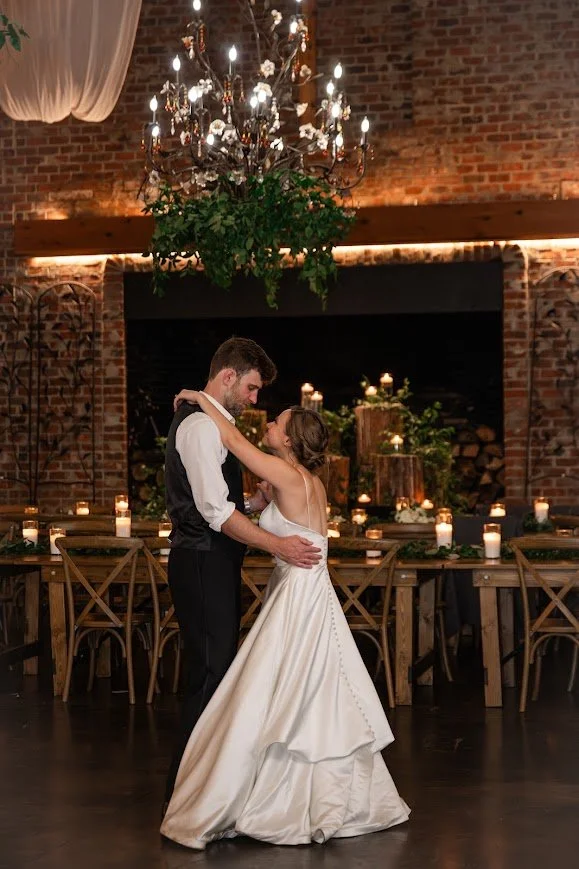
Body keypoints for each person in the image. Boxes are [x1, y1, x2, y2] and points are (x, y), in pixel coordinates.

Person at [161, 389, 410, 849]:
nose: (268, 425)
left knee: (276, 689)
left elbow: (233, 442)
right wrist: (258, 504)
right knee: (304, 690)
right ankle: (314, 789)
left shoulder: (284, 472)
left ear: (290, 441)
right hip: (307, 592)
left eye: (276, 423)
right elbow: (273, 512)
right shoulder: (303, 480)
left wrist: (200, 398)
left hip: (298, 596)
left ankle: (270, 795)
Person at [163, 338, 321, 810]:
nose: (256, 401)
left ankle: (207, 783)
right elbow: (213, 512)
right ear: (228, 377)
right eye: (252, 389)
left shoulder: (217, 425)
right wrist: (277, 543)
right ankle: (188, 791)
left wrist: (255, 505)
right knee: (210, 675)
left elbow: (223, 503)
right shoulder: (199, 428)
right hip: (200, 560)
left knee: (218, 672)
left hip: (214, 559)